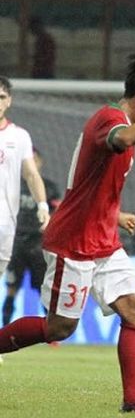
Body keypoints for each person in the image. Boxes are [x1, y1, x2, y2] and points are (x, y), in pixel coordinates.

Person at [0, 55, 135, 415]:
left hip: (103, 238)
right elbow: (119, 141)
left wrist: (114, 213)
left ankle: (134, 401)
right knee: (59, 327)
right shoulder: (111, 120)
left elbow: (88, 181)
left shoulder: (120, 120)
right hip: (74, 241)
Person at [0, 76, 51, 366]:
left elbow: (31, 173)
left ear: (10, 100)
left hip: (7, 224)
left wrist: (43, 204)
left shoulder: (19, 136)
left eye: (2, 97)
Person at [3, 148, 61, 326]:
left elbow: (59, 212)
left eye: (34, 159)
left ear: (40, 162)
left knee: (43, 288)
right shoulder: (12, 185)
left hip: (39, 245)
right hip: (16, 244)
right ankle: (4, 328)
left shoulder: (49, 187)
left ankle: (51, 332)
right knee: (12, 288)